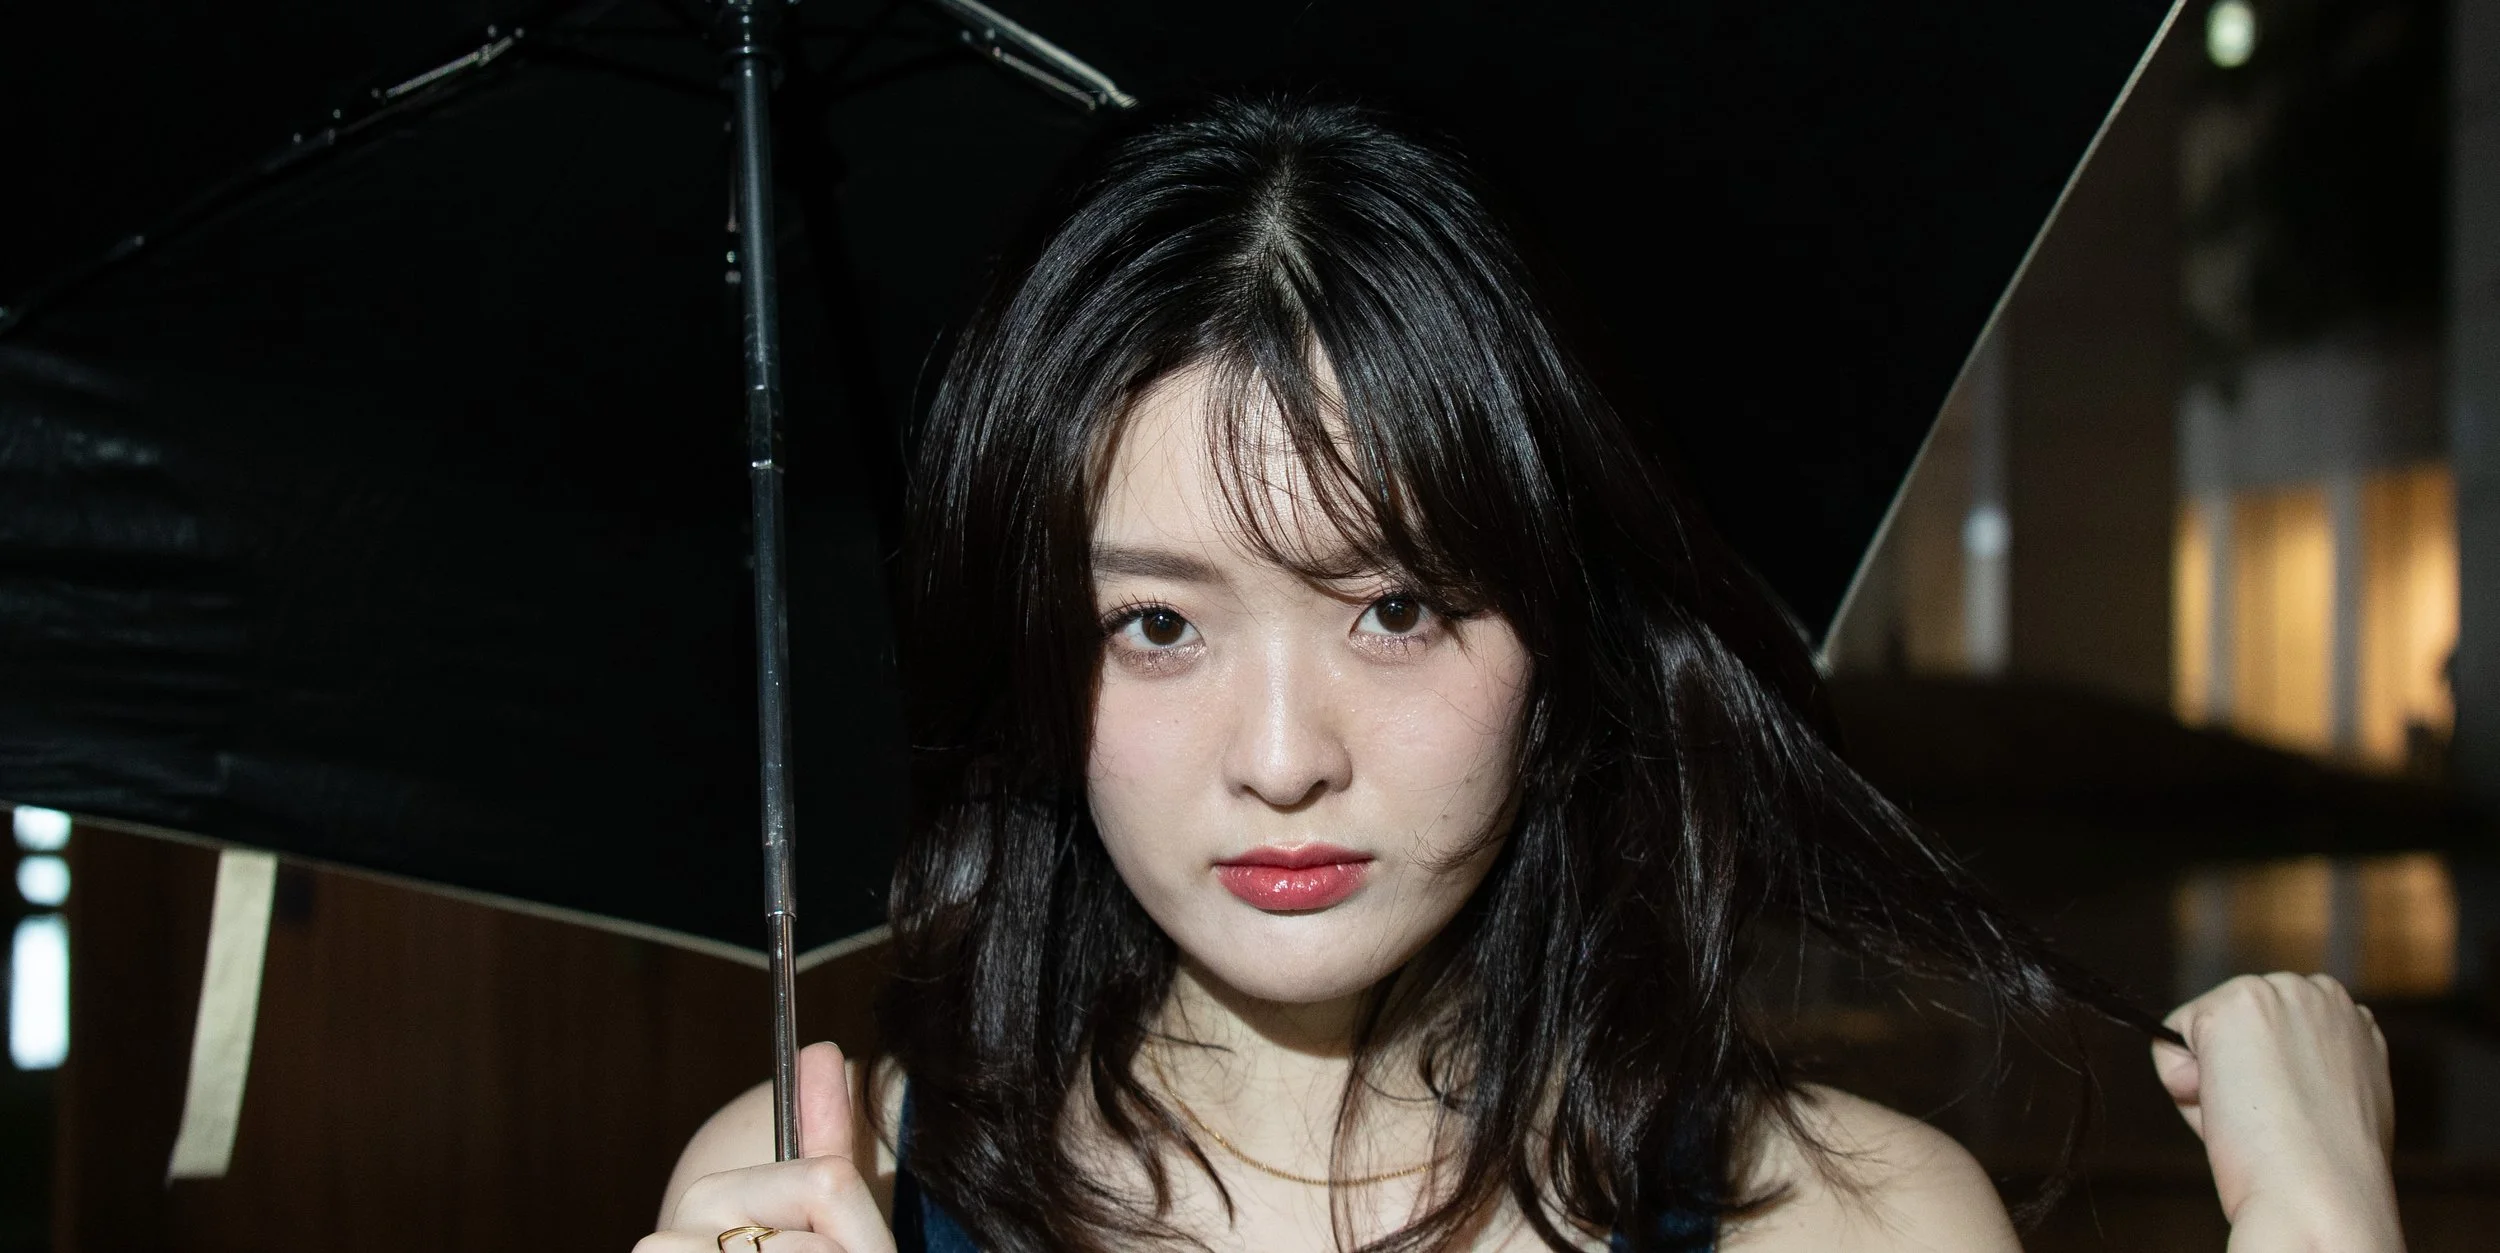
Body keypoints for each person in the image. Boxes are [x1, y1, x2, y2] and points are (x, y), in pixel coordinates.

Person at [637, 97, 2402, 1252]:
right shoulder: (815, 1195)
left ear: (1563, 634)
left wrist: (2320, 1219)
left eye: (1396, 606)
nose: (1280, 757)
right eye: (1154, 625)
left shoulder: (1847, 1222)